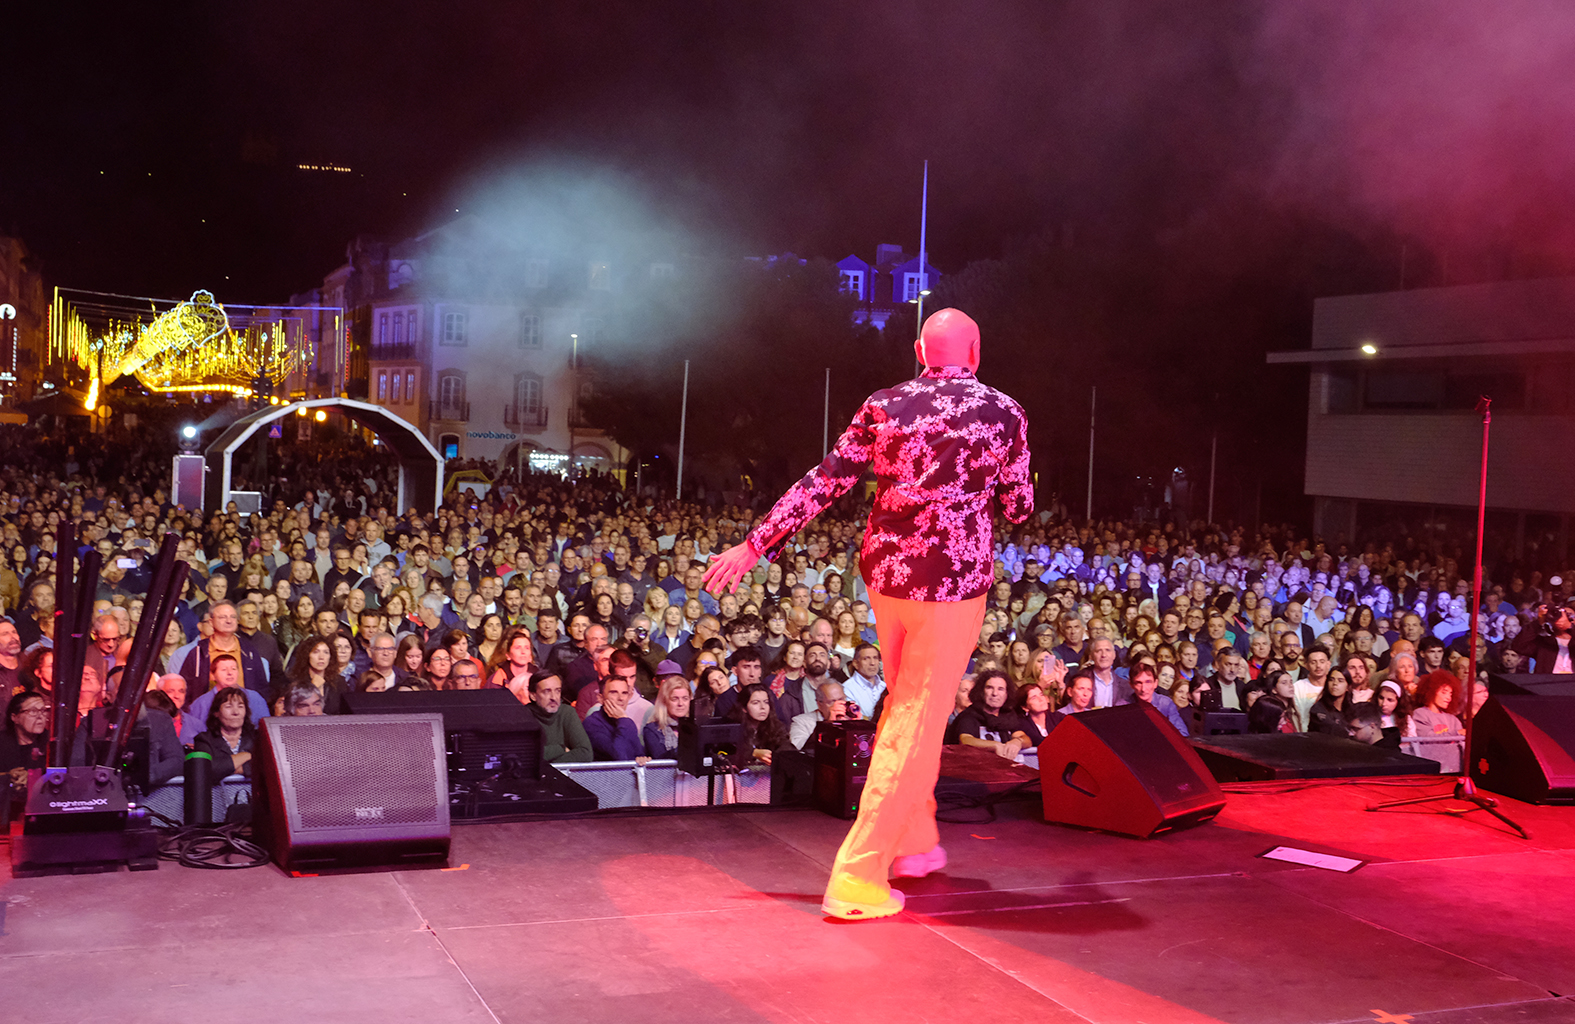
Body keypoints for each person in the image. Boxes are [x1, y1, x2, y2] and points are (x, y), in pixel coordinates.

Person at [705, 308, 1032, 920]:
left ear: (918, 350)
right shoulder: (1004, 412)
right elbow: (1018, 505)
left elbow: (825, 480)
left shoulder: (884, 404)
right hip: (952, 587)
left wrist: (756, 544)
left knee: (915, 707)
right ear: (978, 350)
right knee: (913, 718)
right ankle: (858, 877)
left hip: (886, 578)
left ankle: (915, 843)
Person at [945, 669, 1031, 759]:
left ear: (1007, 694)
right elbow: (965, 740)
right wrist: (994, 745)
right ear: (981, 691)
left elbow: (1026, 739)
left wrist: (1018, 741)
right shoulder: (970, 715)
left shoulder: (1008, 715)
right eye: (989, 688)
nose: (995, 693)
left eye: (1000, 689)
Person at [525, 670, 593, 763]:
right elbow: (526, 755)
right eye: (546, 691)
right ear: (533, 695)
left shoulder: (567, 712)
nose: (554, 697)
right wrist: (560, 749)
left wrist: (549, 767)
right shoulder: (523, 715)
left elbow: (585, 753)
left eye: (557, 691)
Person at [193, 686, 257, 778]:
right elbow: (207, 770)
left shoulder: (257, 737)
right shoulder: (204, 740)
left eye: (240, 706)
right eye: (228, 706)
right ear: (216, 713)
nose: (236, 712)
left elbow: (267, 766)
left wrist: (228, 769)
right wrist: (246, 755)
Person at [726, 681, 791, 767]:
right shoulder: (731, 727)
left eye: (766, 702)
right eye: (755, 703)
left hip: (766, 776)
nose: (763, 707)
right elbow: (727, 752)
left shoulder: (775, 725)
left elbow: (786, 747)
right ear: (744, 708)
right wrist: (753, 753)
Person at [583, 672, 646, 761]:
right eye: (613, 692)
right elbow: (618, 756)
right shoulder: (591, 724)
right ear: (600, 698)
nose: (621, 698)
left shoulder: (627, 722)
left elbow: (639, 754)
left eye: (624, 693)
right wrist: (623, 719)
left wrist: (642, 759)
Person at [1119, 662, 1190, 735]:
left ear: (1155, 683)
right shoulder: (1122, 706)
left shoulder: (1166, 704)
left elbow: (1183, 734)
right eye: (1138, 683)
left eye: (1148, 682)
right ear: (1131, 684)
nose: (1143, 689)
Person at [642, 674, 692, 759]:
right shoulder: (652, 729)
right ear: (664, 701)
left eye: (685, 698)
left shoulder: (696, 727)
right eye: (675, 699)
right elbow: (660, 757)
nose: (681, 704)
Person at [790, 680, 850, 750]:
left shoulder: (849, 719)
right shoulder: (801, 722)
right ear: (819, 704)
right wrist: (828, 726)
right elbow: (799, 751)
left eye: (841, 699)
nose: (838, 705)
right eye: (832, 702)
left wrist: (855, 725)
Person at [1410, 670, 1464, 737]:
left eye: (1450, 694)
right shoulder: (1420, 714)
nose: (1449, 698)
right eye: (1444, 692)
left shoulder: (1453, 719)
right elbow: (1428, 739)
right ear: (1432, 691)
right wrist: (1456, 734)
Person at [1013, 681, 1060, 748]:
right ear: (1025, 707)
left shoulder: (1058, 718)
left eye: (1041, 694)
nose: (1041, 699)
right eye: (1034, 698)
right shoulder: (1021, 725)